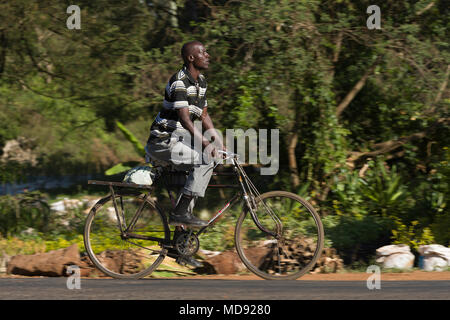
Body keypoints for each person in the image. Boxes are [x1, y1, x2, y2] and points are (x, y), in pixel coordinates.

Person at [146, 41, 224, 265]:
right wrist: (206, 146)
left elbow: (204, 116)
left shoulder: (201, 82)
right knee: (206, 158)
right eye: (203, 53)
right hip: (162, 141)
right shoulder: (179, 81)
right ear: (191, 58)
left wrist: (220, 143)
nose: (208, 55)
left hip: (177, 141)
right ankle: (180, 213)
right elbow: (185, 119)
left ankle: (180, 247)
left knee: (191, 183)